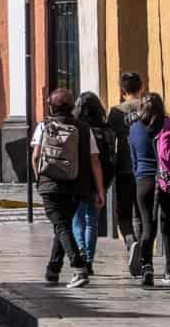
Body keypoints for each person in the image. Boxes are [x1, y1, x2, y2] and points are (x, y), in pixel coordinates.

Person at [30, 89, 103, 288]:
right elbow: (94, 160)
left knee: (61, 226)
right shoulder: (84, 128)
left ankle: (78, 267)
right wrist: (100, 190)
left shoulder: (43, 126)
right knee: (63, 225)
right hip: (77, 187)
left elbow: (35, 157)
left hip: (50, 185)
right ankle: (52, 270)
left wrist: (40, 178)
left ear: (51, 107)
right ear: (72, 107)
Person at [129, 92, 170, 287]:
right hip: (168, 179)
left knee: (147, 227)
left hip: (144, 181)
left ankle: (147, 268)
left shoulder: (134, 128)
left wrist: (140, 176)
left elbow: (133, 159)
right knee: (167, 227)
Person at [72, 91, 116, 277]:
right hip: (101, 180)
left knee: (77, 219)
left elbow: (93, 160)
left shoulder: (79, 129)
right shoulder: (107, 130)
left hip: (80, 180)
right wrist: (101, 189)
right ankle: (89, 259)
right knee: (92, 221)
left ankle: (81, 252)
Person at [106, 72, 144, 263]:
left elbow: (109, 139)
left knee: (123, 213)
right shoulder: (148, 107)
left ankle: (131, 242)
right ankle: (143, 252)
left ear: (122, 91)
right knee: (141, 213)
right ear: (141, 87)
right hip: (145, 168)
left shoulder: (116, 111)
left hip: (123, 167)